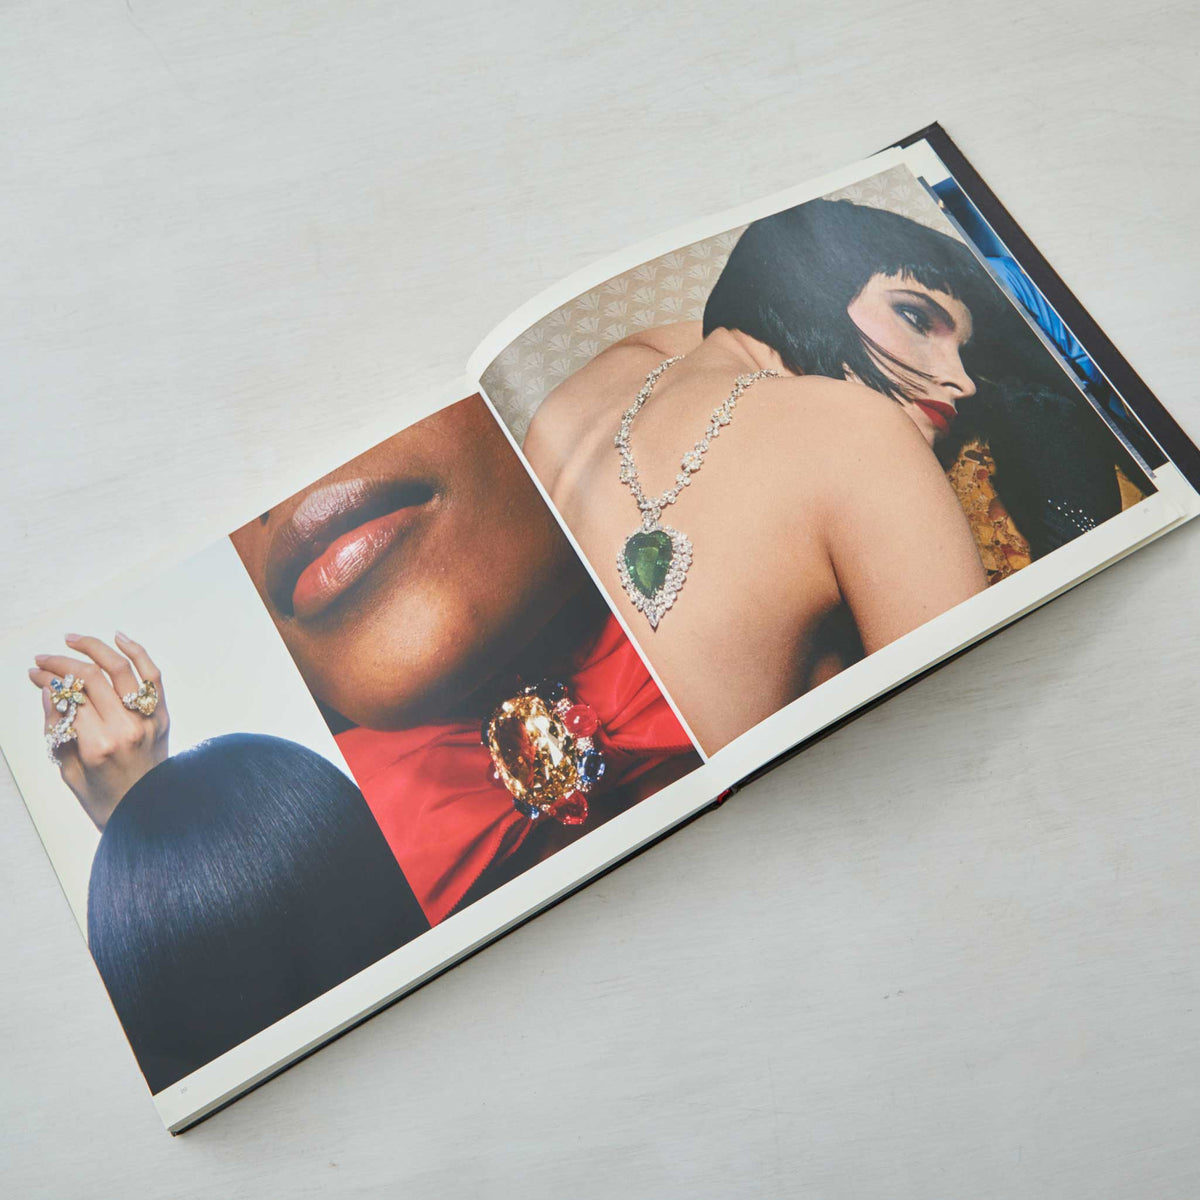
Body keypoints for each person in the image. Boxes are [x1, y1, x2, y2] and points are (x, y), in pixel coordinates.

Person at [521, 198, 1142, 753]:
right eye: (916, 318)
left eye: (963, 351)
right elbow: (976, 732)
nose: (964, 381)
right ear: (806, 286)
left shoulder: (606, 378)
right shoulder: (861, 428)